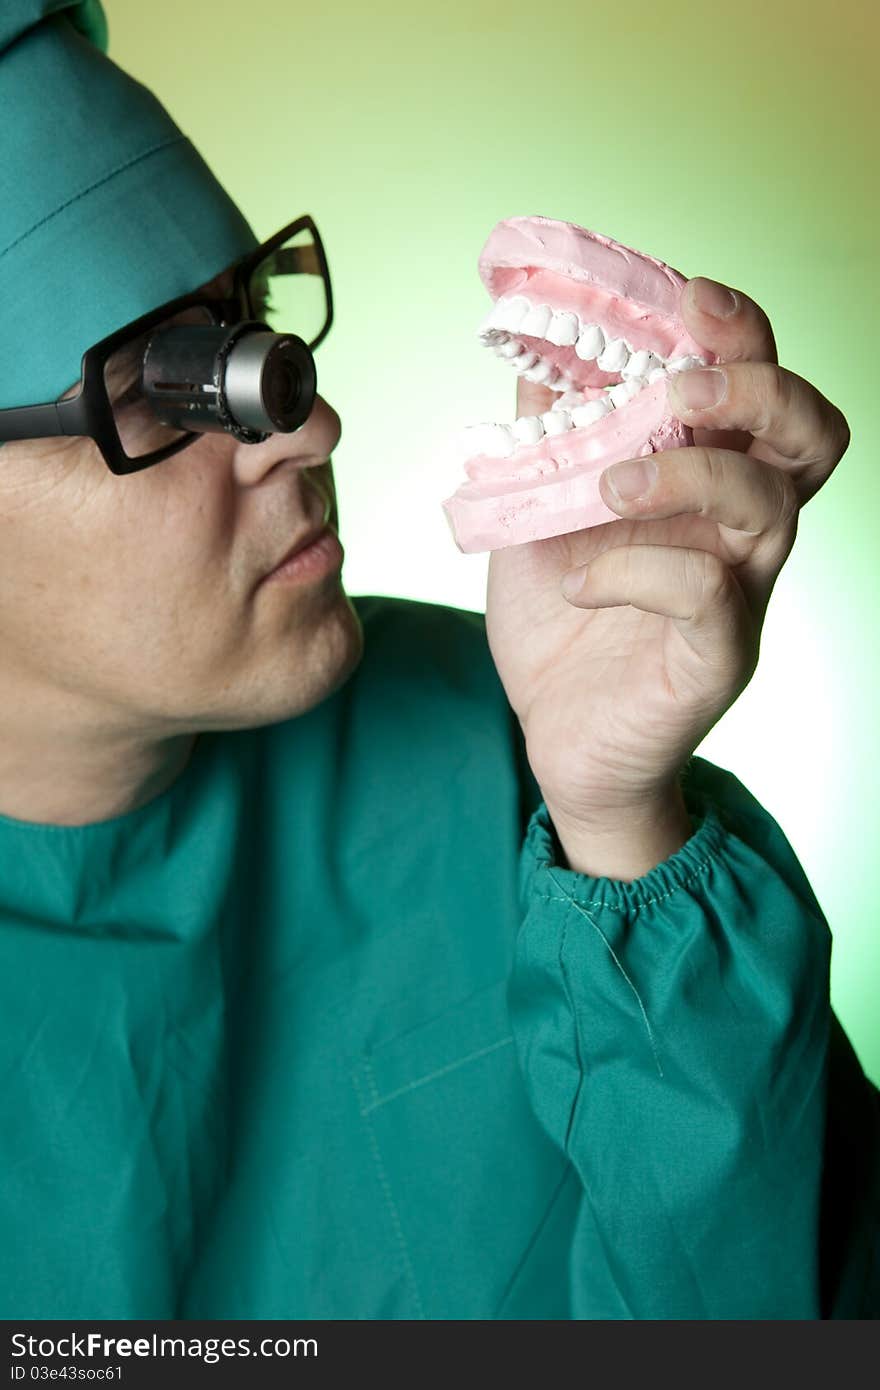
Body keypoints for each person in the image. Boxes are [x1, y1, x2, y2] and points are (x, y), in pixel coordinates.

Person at [0, 0, 876, 1321]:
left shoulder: (501, 752)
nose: (307, 418)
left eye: (252, 324)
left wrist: (616, 819)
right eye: (150, 385)